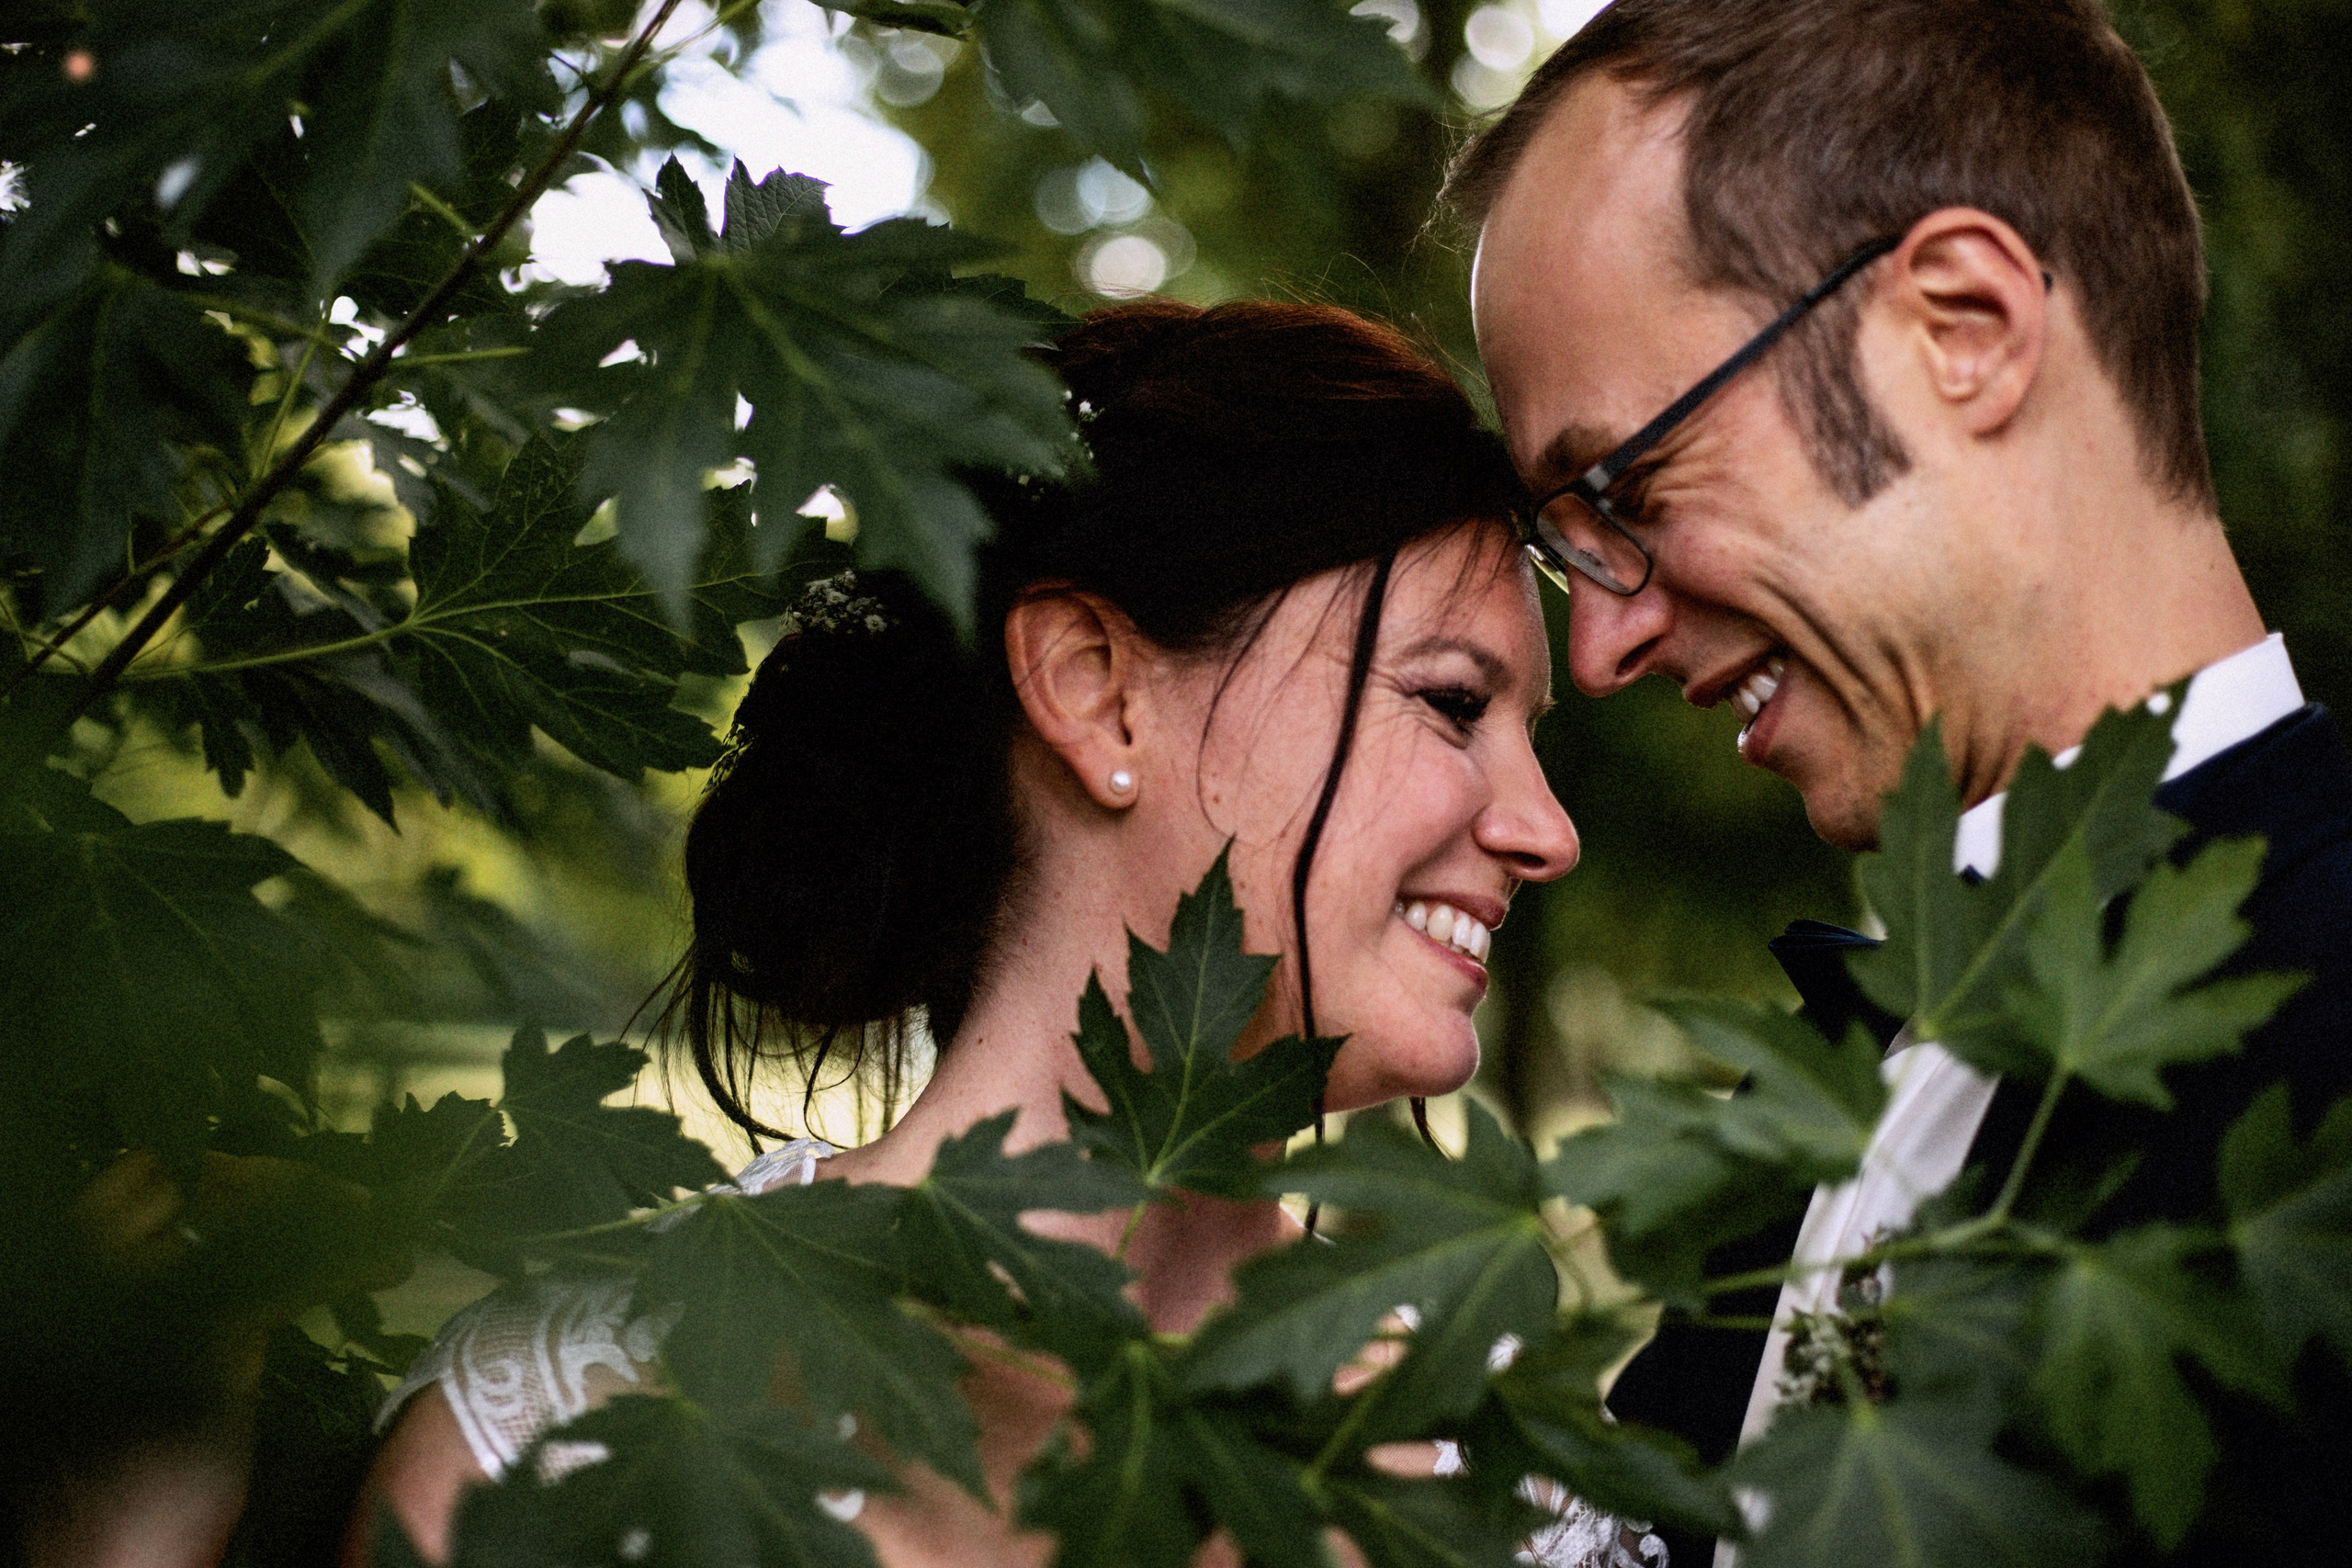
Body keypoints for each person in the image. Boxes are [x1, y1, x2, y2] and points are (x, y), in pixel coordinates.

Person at [351, 299, 1600, 1566]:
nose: (1546, 830)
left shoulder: (1508, 1477)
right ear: (1095, 691)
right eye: (1452, 704)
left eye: (1533, 740)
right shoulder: (563, 1444)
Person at [1449, 2, 2352, 1564]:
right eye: (1567, 548)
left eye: (1628, 488)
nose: (1598, 646)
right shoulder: (1831, 1079)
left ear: (1966, 330)